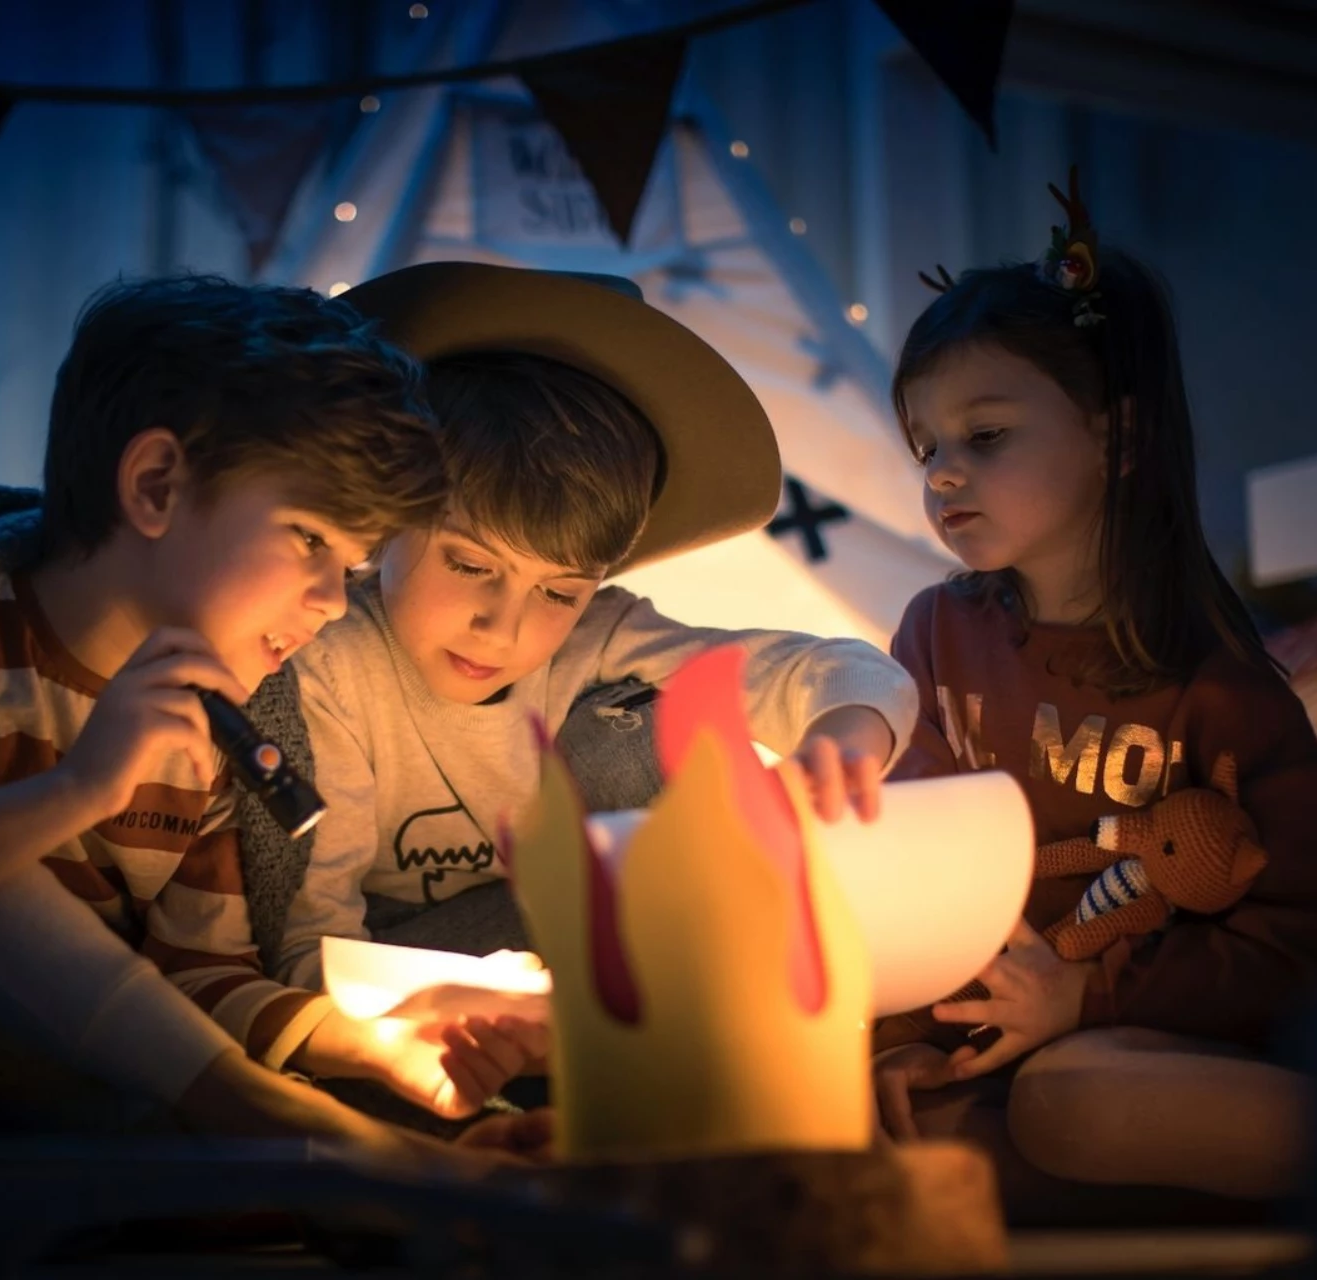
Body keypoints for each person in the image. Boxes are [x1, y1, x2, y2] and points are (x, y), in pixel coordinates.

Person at [0, 275, 544, 1169]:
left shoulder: (211, 726)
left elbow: (198, 977)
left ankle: (356, 1153)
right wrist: (80, 790)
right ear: (156, 484)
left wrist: (377, 1041)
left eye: (350, 567)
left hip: (88, 1106)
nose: (330, 602)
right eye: (311, 538)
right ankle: (352, 1151)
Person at [868, 174, 1317, 1203]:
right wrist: (902, 1040)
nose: (943, 473)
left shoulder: (1216, 683)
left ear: (1121, 439)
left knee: (1072, 1104)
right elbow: (913, 879)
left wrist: (1087, 997)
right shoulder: (936, 636)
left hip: (1195, 1043)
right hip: (1027, 1043)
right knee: (883, 1122)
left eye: (985, 436)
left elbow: (1302, 941)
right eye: (928, 447)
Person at [270, 263, 918, 1038]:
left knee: (640, 729)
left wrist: (845, 731)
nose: (502, 628)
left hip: (564, 942)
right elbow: (312, 949)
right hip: (394, 968)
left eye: (558, 592)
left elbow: (818, 668)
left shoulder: (598, 636)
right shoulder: (329, 665)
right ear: (389, 517)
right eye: (469, 565)